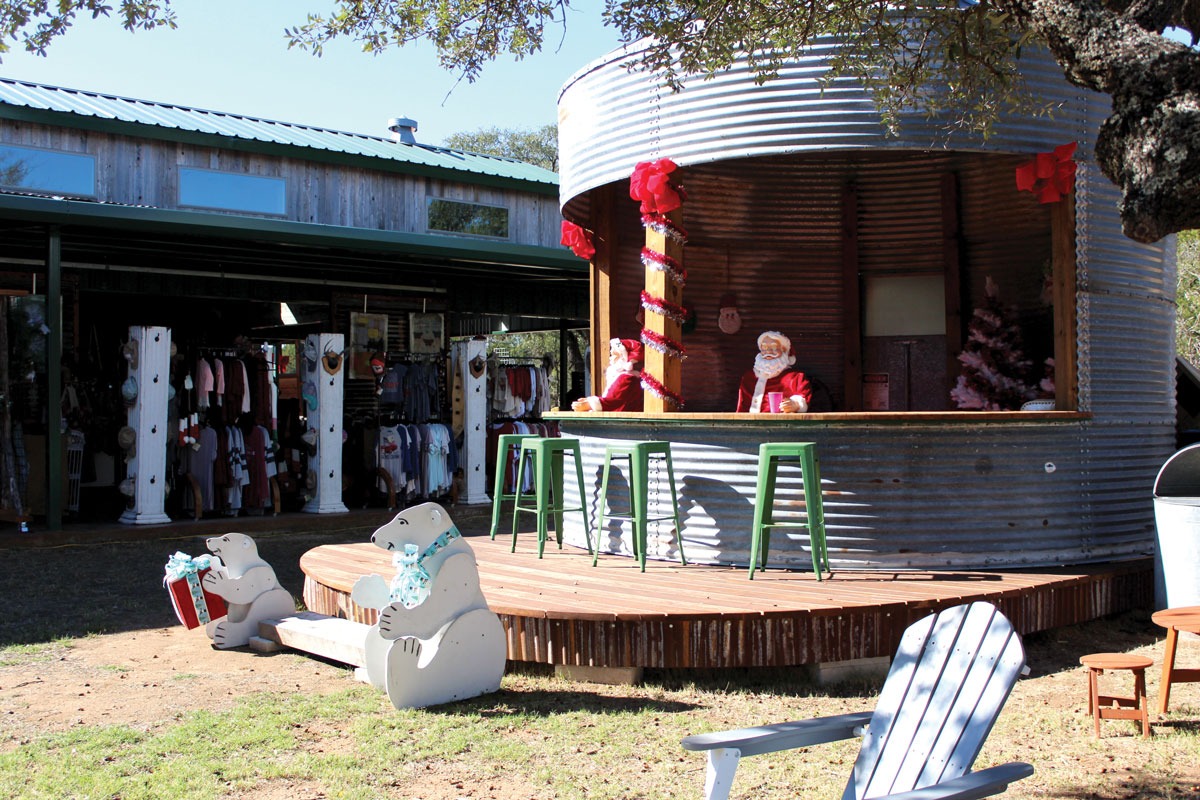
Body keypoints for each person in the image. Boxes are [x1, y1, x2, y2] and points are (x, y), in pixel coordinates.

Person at [736, 331, 812, 413]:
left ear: (784, 350)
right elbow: (742, 406)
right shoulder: (749, 376)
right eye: (764, 348)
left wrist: (795, 404)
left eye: (774, 348)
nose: (768, 352)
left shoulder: (796, 377)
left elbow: (803, 397)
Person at [572, 338, 644, 412]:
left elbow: (613, 401)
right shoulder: (622, 376)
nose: (611, 358)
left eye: (614, 354)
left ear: (623, 358)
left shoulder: (627, 378)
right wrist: (588, 401)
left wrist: (589, 405)